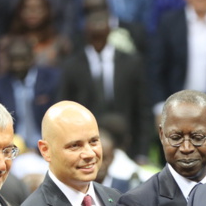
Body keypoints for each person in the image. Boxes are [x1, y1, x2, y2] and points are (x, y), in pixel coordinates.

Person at [57, 11, 150, 162]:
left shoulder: (131, 62)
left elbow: (142, 109)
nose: (97, 28)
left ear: (110, 30)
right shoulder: (71, 66)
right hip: (84, 144)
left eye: (102, 24)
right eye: (93, 25)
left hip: (127, 145)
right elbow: (64, 109)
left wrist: (142, 152)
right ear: (85, 31)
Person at [0, 38, 60, 149]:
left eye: (22, 59)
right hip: (13, 149)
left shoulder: (51, 80)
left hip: (48, 145)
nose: (18, 65)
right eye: (13, 60)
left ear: (32, 57)